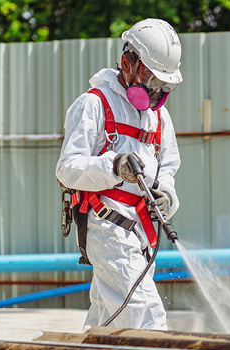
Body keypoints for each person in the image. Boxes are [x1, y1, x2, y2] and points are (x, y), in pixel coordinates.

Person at [56, 18, 182, 330]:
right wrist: (113, 167)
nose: (155, 92)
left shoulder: (159, 117)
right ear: (127, 63)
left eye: (162, 85)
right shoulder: (94, 104)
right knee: (142, 312)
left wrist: (166, 194)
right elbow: (67, 169)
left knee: (109, 317)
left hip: (142, 229)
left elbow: (168, 166)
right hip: (106, 223)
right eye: (150, 79)